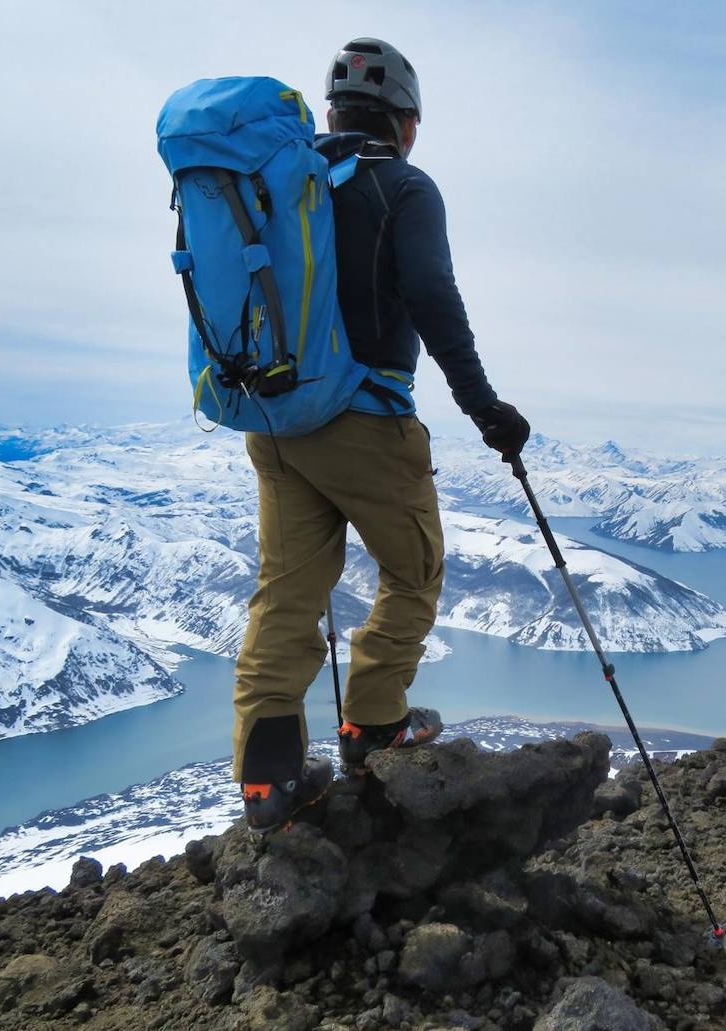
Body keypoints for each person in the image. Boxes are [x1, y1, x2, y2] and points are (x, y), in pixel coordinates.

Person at [234, 37, 530, 834]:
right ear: (406, 122)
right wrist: (484, 405)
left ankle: (266, 782)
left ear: (330, 114)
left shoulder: (283, 188)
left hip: (277, 421)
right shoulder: (403, 187)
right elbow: (432, 294)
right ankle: (372, 723)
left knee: (288, 593)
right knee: (413, 568)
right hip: (366, 420)